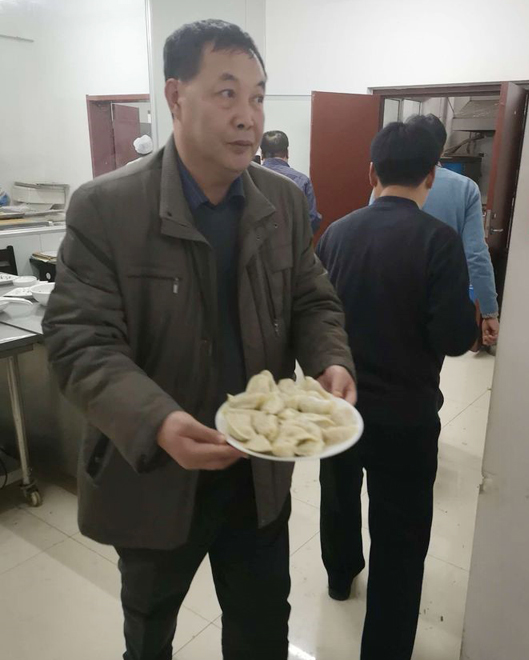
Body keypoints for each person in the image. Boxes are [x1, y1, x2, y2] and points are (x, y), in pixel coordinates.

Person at [43, 19, 355, 660]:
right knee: (149, 633)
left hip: (257, 475)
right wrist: (157, 422)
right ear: (175, 96)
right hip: (154, 476)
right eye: (227, 92)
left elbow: (311, 298)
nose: (248, 116)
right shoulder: (106, 208)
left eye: (258, 96)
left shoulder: (281, 203)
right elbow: (79, 342)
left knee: (261, 631)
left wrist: (329, 359)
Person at [317, 122, 478, 660]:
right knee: (401, 534)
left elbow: (318, 317)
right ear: (431, 176)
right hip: (406, 414)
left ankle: (340, 577)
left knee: (338, 496)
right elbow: (452, 338)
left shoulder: (336, 233)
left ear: (372, 173)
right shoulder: (439, 241)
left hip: (340, 406)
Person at [368, 114, 500, 346]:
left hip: (385, 295)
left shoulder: (386, 185)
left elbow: (370, 232)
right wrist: (489, 311)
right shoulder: (465, 188)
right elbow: (475, 255)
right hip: (438, 302)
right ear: (440, 149)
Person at [260, 130, 322, 233]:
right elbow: (312, 219)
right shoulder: (302, 180)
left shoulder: (249, 178)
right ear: (287, 153)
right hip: (291, 241)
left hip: (256, 242)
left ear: (262, 154)